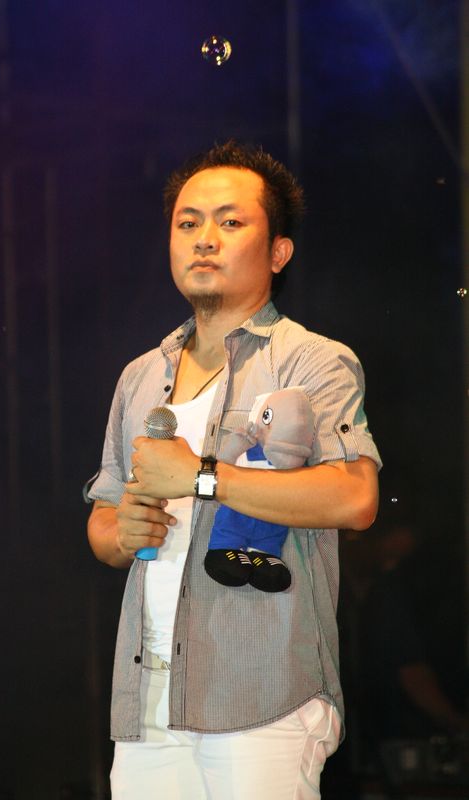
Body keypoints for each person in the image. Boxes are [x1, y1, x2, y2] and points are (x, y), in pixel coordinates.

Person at [87, 140, 381, 799]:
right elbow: (104, 521)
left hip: (261, 694)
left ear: (278, 251)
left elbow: (355, 497)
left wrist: (200, 477)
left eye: (230, 221)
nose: (204, 239)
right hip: (150, 698)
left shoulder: (313, 361)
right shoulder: (140, 376)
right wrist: (122, 531)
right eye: (187, 223)